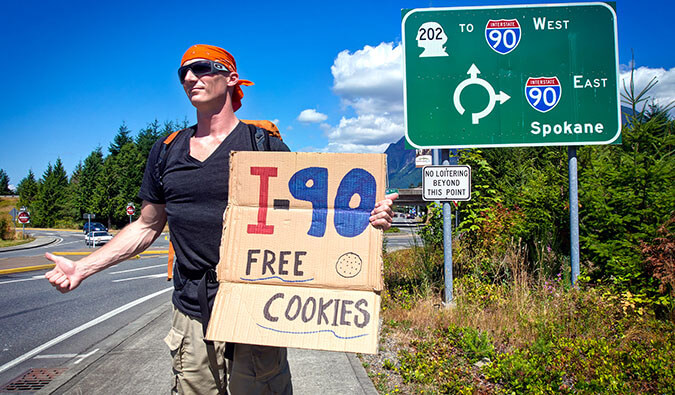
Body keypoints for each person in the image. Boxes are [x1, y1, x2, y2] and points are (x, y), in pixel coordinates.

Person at [44, 44, 398, 394]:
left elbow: (315, 217)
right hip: (192, 309)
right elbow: (147, 225)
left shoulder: (263, 144)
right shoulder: (166, 151)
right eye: (183, 72)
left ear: (231, 78)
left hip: (258, 304)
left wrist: (369, 217)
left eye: (201, 68)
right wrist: (82, 268)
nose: (189, 77)